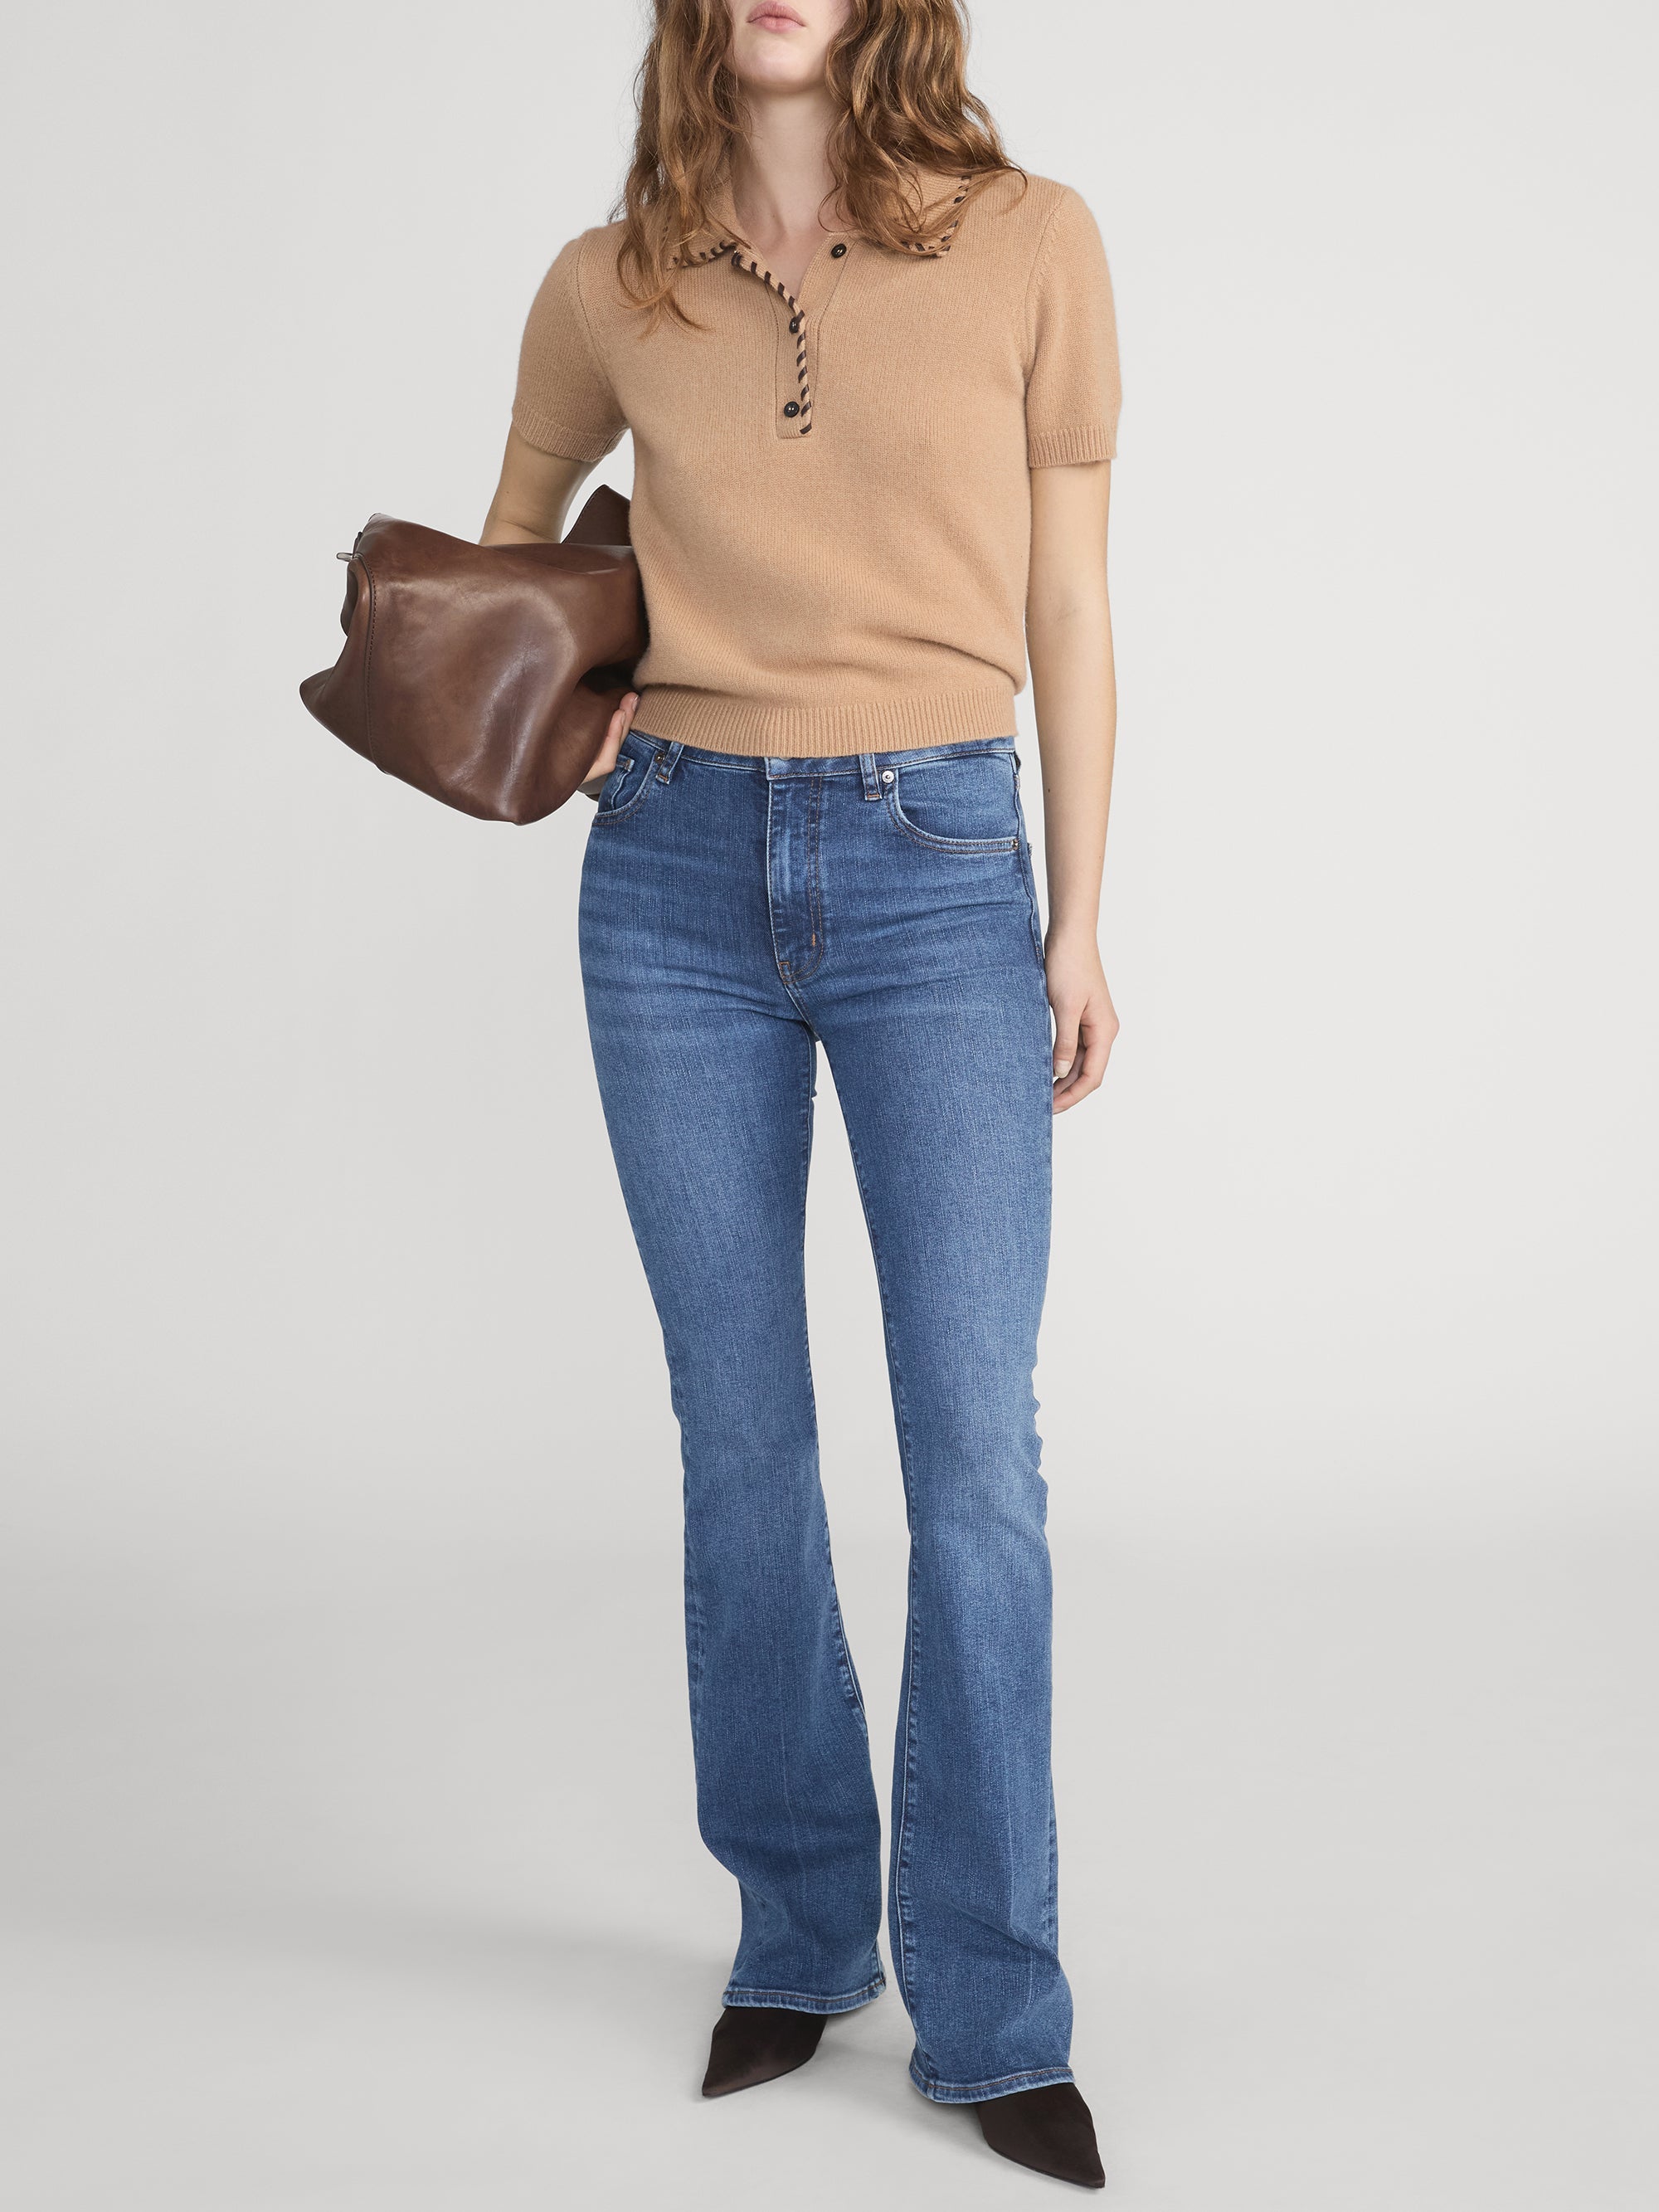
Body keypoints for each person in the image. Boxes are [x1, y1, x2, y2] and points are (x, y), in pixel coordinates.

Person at [480, 0, 1119, 2187]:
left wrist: (1079, 919)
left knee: (976, 1460)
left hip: (942, 862)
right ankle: (796, 1928)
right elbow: (514, 561)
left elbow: (1070, 598)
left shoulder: (1031, 240)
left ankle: (997, 2005)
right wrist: (569, 714)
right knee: (742, 1442)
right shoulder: (610, 279)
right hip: (667, 876)